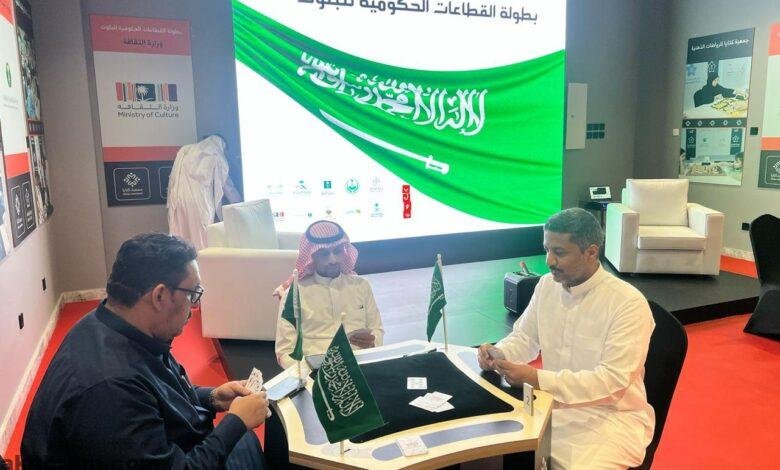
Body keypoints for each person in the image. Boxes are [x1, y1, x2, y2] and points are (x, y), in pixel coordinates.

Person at [22, 233, 270, 468]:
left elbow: (158, 389)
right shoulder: (110, 391)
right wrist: (235, 423)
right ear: (159, 296)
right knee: (244, 439)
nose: (195, 306)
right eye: (193, 294)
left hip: (162, 445)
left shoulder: (109, 323)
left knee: (244, 442)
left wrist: (212, 397)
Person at [478, 208, 655, 469]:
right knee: (488, 448)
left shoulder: (628, 304)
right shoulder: (546, 285)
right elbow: (524, 337)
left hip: (612, 419)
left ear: (591, 252)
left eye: (559, 252)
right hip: (551, 406)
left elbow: (612, 382)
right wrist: (499, 354)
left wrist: (537, 379)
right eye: (547, 249)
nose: (549, 260)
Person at [275, 220, 384, 369]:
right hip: (315, 371)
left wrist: (372, 343)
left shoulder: (361, 286)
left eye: (337, 251)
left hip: (360, 365)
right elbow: (285, 351)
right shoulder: (295, 294)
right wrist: (308, 374)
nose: (333, 259)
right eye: (324, 254)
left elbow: (377, 329)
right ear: (312, 256)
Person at [167, 135, 241, 250]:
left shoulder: (185, 151)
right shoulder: (215, 153)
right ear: (222, 144)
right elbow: (227, 186)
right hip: (200, 200)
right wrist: (240, 204)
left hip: (179, 198)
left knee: (182, 236)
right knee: (202, 238)